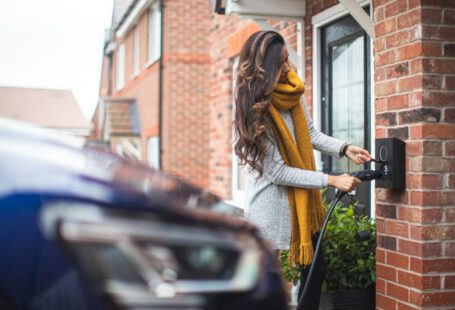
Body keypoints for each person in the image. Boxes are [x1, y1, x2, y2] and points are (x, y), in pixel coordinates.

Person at [233, 30, 371, 309]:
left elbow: (310, 134)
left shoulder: (292, 91)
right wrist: (331, 179)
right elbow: (279, 172)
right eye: (281, 64)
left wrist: (345, 148)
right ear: (266, 69)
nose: (288, 67)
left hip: (303, 211)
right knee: (276, 295)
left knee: (314, 273)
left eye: (287, 59)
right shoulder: (255, 111)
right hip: (271, 218)